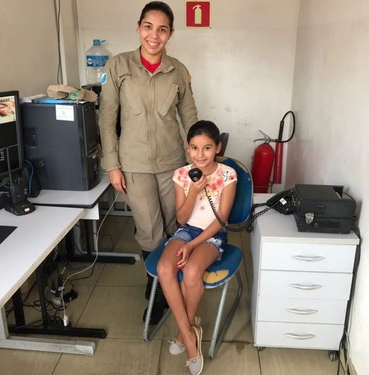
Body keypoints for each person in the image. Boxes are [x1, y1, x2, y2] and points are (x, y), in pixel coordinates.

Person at [98, 1, 198, 324]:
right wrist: (112, 164)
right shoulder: (118, 67)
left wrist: (198, 163)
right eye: (148, 27)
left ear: (171, 34)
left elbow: (190, 120)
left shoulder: (178, 71)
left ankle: (168, 282)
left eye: (162, 29)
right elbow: (106, 118)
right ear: (138, 27)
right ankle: (156, 288)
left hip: (173, 164)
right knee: (149, 230)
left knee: (174, 226)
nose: (154, 36)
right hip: (134, 165)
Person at [157, 120, 237, 375]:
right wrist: (193, 191)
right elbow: (181, 219)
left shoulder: (227, 174)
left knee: (192, 272)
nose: (200, 155)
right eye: (194, 148)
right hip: (186, 230)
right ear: (187, 148)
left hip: (212, 234)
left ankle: (184, 335)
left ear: (217, 147)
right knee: (164, 267)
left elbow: (222, 219)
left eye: (207, 148)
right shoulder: (182, 175)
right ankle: (190, 334)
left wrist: (191, 246)